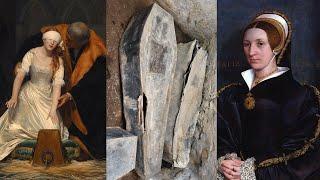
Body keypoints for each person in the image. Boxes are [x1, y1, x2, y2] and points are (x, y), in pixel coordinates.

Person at [217, 11, 320, 180]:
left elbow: (304, 155)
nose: (251, 51)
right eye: (246, 44)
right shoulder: (229, 94)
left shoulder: (300, 96)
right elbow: (221, 134)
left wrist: (251, 172)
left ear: (277, 46)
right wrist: (224, 160)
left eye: (260, 44)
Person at [40, 22, 107, 159]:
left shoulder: (97, 49)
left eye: (71, 42)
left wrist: (71, 94)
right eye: (67, 39)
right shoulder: (59, 33)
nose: (67, 42)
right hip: (58, 84)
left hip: (81, 91)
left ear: (83, 43)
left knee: (95, 106)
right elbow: (37, 42)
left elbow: (91, 80)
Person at [0, 29, 69, 161]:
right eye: (49, 40)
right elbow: (20, 77)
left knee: (52, 129)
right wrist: (14, 96)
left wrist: (53, 109)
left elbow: (56, 87)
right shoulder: (32, 53)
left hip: (48, 97)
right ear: (44, 40)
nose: (52, 43)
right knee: (16, 128)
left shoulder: (58, 61)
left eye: (55, 41)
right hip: (29, 96)